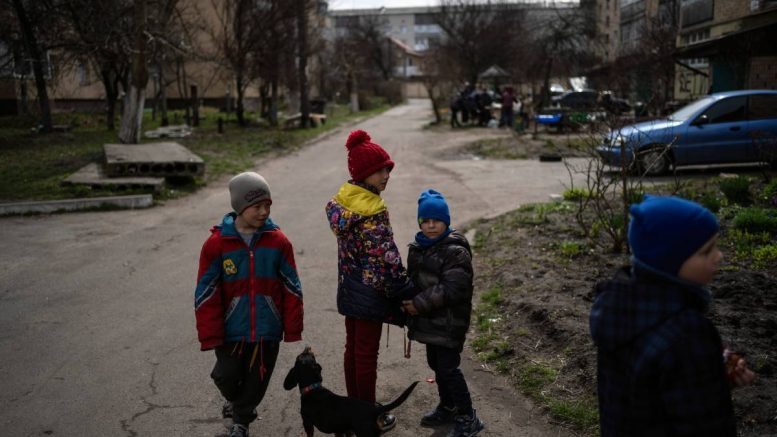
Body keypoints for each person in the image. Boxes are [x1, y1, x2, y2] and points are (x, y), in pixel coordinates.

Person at [590, 195, 755, 437]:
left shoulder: (617, 309)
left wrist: (712, 371)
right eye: (707, 250)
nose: (719, 256)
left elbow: (648, 385)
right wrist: (711, 380)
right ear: (670, 263)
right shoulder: (688, 333)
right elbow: (706, 424)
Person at [195, 172, 303, 437]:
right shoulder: (217, 245)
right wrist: (210, 333)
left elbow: (292, 286)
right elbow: (205, 293)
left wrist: (291, 327)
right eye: (257, 206)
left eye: (268, 205)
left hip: (267, 328)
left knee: (257, 382)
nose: (264, 211)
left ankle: (241, 421)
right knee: (225, 376)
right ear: (240, 207)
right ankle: (236, 402)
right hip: (231, 329)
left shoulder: (278, 242)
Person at [325, 130, 411, 431]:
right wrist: (404, 289)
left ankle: (354, 410)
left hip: (349, 288)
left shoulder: (345, 203)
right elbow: (385, 259)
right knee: (366, 355)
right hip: (371, 291)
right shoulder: (371, 211)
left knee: (353, 350)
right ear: (363, 174)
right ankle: (368, 417)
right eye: (379, 170)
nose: (386, 174)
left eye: (387, 168)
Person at [402, 189, 485, 437]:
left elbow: (453, 288)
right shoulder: (419, 248)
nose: (430, 226)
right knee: (435, 364)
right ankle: (448, 406)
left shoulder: (455, 251)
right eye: (425, 221)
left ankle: (469, 417)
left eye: (436, 221)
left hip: (449, 322)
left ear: (446, 221)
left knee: (449, 368)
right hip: (430, 323)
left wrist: (418, 303)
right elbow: (416, 280)